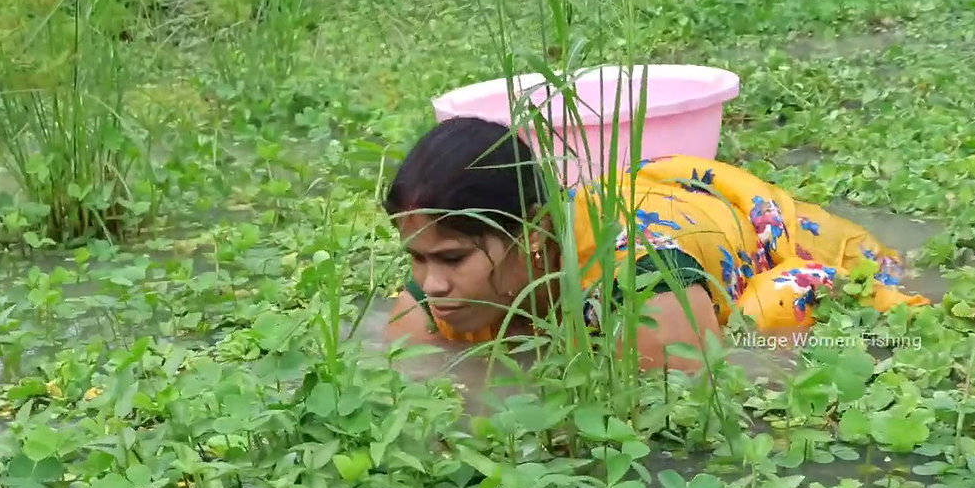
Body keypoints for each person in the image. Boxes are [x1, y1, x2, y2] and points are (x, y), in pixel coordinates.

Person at [381, 117, 931, 371]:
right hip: (627, 199)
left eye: (452, 258)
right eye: (418, 257)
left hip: (731, 226)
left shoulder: (646, 286)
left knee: (788, 313)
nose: (434, 284)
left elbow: (711, 391)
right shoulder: (431, 304)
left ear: (535, 232)